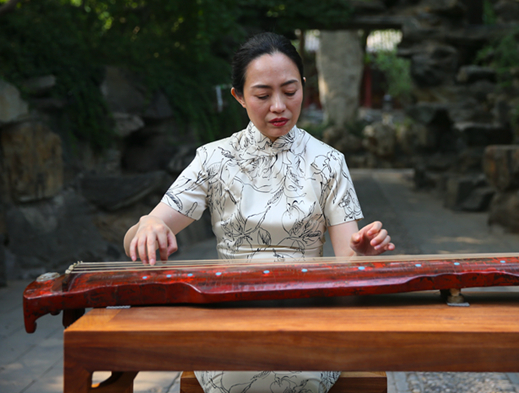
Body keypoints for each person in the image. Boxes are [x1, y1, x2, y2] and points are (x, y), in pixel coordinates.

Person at [123, 32, 395, 393]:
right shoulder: (214, 158)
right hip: (230, 314)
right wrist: (147, 226)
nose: (279, 106)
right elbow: (144, 229)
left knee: (301, 376)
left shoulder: (328, 162)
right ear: (239, 96)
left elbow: (347, 255)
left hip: (307, 314)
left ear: (303, 86)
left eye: (290, 90)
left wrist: (362, 253)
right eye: (263, 95)